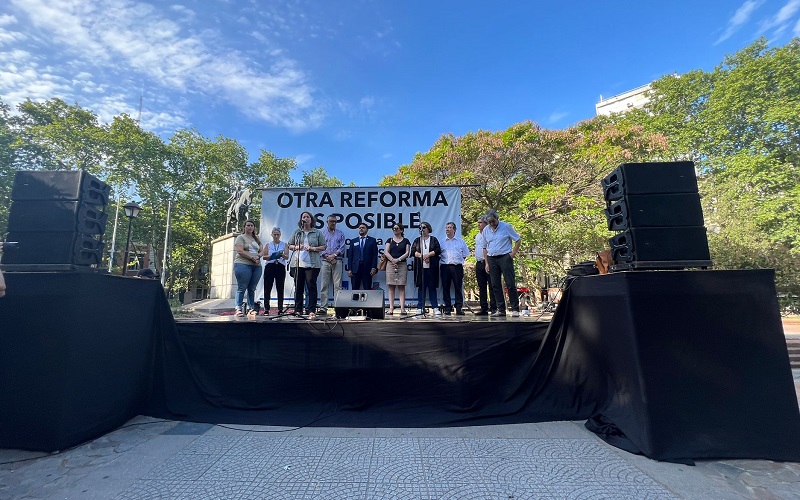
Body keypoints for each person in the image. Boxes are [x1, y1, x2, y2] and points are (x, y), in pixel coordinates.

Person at [482, 209, 522, 317]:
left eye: (493, 221)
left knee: (510, 283)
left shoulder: (506, 226)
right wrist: (486, 263)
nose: (491, 224)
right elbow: (484, 247)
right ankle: (501, 309)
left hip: (505, 256)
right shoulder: (486, 230)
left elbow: (518, 240)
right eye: (489, 222)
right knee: (495, 284)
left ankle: (515, 309)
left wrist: (512, 254)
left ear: (497, 218)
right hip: (492, 258)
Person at [287, 211, 326, 317]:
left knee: (311, 286)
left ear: (311, 219)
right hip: (297, 263)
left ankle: (311, 310)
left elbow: (323, 247)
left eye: (307, 217)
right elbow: (289, 245)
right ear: (301, 220)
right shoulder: (297, 232)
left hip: (312, 264)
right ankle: (298, 309)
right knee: (298, 287)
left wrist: (313, 248)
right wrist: (296, 247)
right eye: (303, 217)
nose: (305, 218)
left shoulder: (317, 232)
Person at [439, 221, 471, 315]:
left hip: (457, 267)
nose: (447, 229)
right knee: (445, 287)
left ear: (454, 230)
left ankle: (459, 308)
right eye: (446, 228)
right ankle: (448, 308)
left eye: (449, 227)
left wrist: (458, 261)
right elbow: (439, 255)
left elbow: (465, 254)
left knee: (458, 287)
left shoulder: (461, 241)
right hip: (445, 267)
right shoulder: (442, 242)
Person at [234, 219, 263, 317]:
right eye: (248, 225)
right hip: (243, 264)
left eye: (252, 225)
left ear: (254, 228)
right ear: (244, 227)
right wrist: (251, 257)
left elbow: (262, 251)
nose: (250, 227)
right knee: (242, 287)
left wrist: (258, 257)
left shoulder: (257, 239)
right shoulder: (240, 237)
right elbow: (240, 251)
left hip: (256, 266)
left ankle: (251, 308)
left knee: (252, 288)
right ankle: (238, 308)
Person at [411, 221, 441, 315]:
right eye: (420, 228)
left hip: (431, 267)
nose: (422, 229)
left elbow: (438, 250)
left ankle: (435, 307)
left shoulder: (433, 239)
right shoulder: (417, 240)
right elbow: (413, 252)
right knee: (421, 287)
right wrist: (422, 256)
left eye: (424, 227)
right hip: (421, 267)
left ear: (428, 228)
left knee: (432, 287)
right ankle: (420, 307)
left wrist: (428, 255)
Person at [318, 214, 346, 313]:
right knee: (324, 285)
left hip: (337, 260)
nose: (333, 223)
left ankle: (337, 307)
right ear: (327, 222)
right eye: (331, 221)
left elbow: (342, 247)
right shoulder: (322, 234)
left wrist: (333, 256)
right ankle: (323, 308)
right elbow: (320, 247)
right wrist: (327, 257)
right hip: (325, 261)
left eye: (335, 221)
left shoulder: (340, 233)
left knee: (337, 285)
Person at [384, 223, 411, 315]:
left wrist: (398, 260)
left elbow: (407, 253)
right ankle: (391, 308)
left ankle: (402, 308)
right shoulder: (389, 240)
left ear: (402, 230)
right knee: (391, 286)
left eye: (397, 228)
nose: (395, 230)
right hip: (390, 264)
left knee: (401, 286)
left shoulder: (406, 241)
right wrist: (392, 260)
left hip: (402, 264)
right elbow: (386, 252)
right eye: (394, 228)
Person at [474, 215, 497, 315]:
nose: (478, 224)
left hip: (489, 262)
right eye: (478, 222)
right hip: (479, 262)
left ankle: (494, 308)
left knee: (492, 286)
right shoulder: (477, 236)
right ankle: (483, 308)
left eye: (480, 223)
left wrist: (488, 262)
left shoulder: (489, 234)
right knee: (481, 286)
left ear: (486, 224)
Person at [261, 226, 287, 315]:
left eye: (278, 234)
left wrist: (282, 255)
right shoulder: (268, 245)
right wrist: (272, 256)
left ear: (280, 235)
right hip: (270, 266)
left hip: (280, 266)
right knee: (267, 287)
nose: (276, 236)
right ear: (272, 235)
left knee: (280, 287)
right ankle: (266, 308)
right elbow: (264, 257)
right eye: (275, 234)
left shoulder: (284, 244)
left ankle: (280, 308)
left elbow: (287, 256)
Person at [347, 222, 378, 290]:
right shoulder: (353, 241)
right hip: (355, 268)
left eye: (363, 228)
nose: (361, 229)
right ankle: (355, 301)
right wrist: (349, 269)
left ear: (367, 230)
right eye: (360, 228)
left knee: (367, 288)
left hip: (367, 268)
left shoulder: (372, 240)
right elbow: (350, 256)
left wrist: (373, 267)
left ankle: (367, 301)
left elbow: (374, 255)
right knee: (355, 288)